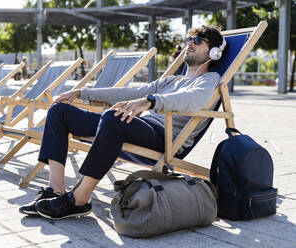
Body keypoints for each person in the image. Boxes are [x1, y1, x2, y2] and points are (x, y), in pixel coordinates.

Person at [19, 25, 227, 220]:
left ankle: (79, 200)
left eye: (199, 40)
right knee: (59, 111)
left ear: (214, 52)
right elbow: (131, 92)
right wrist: (82, 92)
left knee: (113, 117)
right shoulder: (171, 80)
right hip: (136, 128)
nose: (190, 42)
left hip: (161, 138)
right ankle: (55, 191)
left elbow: (193, 99)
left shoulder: (210, 80)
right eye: (189, 38)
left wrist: (149, 102)